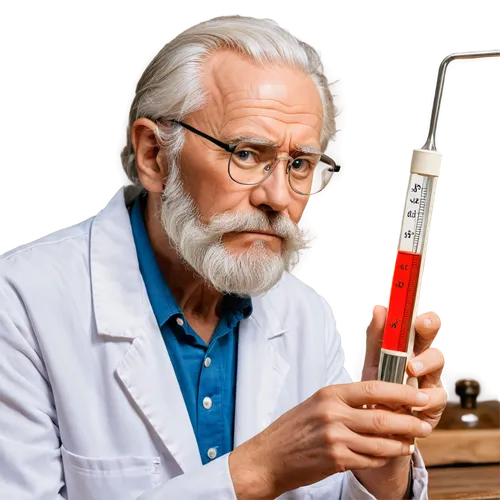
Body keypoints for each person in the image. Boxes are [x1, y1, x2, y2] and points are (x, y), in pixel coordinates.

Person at [0, 13, 447, 500]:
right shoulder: (21, 301)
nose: (277, 198)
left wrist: (380, 455)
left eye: (299, 164)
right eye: (246, 154)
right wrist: (257, 471)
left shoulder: (305, 314)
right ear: (154, 155)